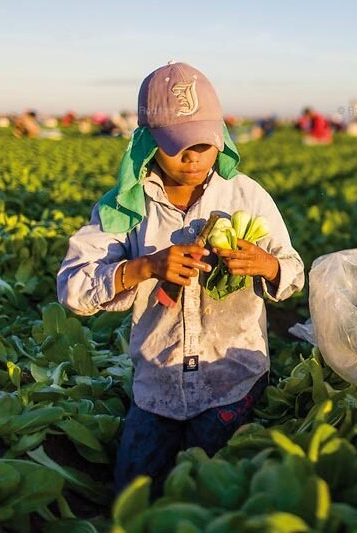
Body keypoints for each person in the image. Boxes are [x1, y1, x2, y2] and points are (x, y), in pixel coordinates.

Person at [57, 62, 305, 496]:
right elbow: (73, 288)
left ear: (220, 138)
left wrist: (265, 264)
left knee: (217, 499)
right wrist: (145, 268)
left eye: (204, 145)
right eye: (177, 147)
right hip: (158, 387)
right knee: (134, 495)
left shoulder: (246, 196)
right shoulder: (124, 207)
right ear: (148, 142)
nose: (192, 158)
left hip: (234, 382)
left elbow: (293, 273)